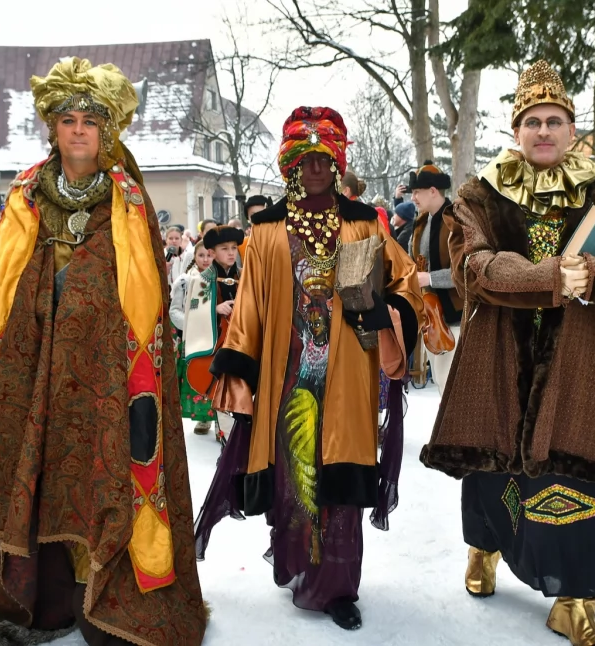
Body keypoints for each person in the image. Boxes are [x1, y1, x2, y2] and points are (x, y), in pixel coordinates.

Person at [0, 58, 207, 646]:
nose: (77, 131)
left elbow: (145, 290)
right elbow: (4, 280)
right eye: (66, 120)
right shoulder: (26, 193)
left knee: (105, 476)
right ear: (53, 128)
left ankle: (108, 600)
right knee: (40, 476)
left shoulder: (127, 198)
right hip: (37, 370)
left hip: (107, 374)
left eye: (88, 122)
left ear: (107, 131)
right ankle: (39, 604)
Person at [421, 60, 595, 646]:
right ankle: (485, 548)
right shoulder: (481, 192)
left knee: (574, 469)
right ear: (517, 130)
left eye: (555, 121)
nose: (544, 131)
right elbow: (473, 265)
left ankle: (575, 598)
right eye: (533, 122)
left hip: (580, 357)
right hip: (500, 351)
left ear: (571, 129)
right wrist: (556, 276)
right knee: (490, 464)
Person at [196, 106, 421, 631]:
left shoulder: (364, 221)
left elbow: (404, 280)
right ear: (290, 165)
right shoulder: (267, 229)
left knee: (339, 477)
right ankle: (300, 567)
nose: (316, 168)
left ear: (338, 162)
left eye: (324, 158)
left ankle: (339, 587)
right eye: (305, 159)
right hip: (287, 374)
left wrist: (387, 311)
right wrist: (239, 369)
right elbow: (250, 304)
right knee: (297, 472)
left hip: (348, 372)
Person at [175, 226, 243, 440]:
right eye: (224, 248)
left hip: (241, 342)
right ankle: (225, 434)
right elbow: (192, 311)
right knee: (219, 388)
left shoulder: (245, 277)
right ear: (213, 252)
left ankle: (234, 435)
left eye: (234, 248)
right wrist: (214, 308)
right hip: (215, 344)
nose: (231, 253)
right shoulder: (201, 280)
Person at [407, 161, 462, 392]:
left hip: (454, 317)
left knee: (450, 386)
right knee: (441, 383)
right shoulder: (421, 221)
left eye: (417, 192)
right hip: (430, 317)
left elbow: (465, 271)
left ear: (432, 191)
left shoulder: (456, 222)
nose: (413, 198)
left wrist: (428, 279)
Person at [170, 243, 216, 434]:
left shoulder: (219, 278)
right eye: (201, 255)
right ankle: (203, 418)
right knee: (198, 376)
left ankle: (221, 418)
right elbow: (174, 310)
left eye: (209, 255)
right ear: (194, 257)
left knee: (216, 376)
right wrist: (191, 325)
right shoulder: (184, 281)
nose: (205, 260)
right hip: (194, 338)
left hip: (216, 335)